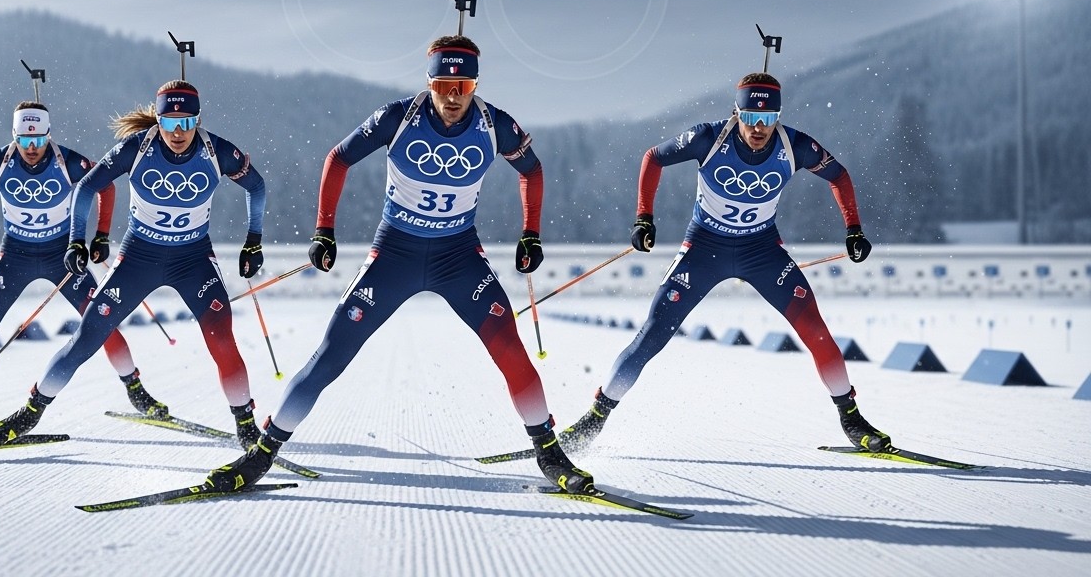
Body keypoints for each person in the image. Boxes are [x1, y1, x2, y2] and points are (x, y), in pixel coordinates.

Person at [201, 34, 595, 494]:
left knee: (510, 347)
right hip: (395, 255)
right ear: (429, 82)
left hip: (458, 257)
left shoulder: (496, 125)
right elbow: (338, 158)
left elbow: (532, 170)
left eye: (464, 86)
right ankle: (262, 454)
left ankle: (549, 453)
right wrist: (323, 230)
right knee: (331, 354)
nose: (453, 96)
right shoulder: (397, 117)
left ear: (475, 84)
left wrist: (531, 232)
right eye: (444, 84)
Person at [557, 72, 890, 453]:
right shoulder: (708, 137)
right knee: (653, 334)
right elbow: (653, 158)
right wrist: (643, 218)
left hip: (762, 251)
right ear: (737, 112)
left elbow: (839, 176)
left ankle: (851, 417)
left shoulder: (795, 145)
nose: (759, 127)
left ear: (778, 116)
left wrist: (853, 229)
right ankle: (594, 419)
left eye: (768, 118)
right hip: (703, 250)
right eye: (750, 117)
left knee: (815, 330)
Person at [0, 80, 269, 448]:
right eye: (168, 122)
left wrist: (254, 241)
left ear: (199, 119)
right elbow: (86, 187)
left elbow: (257, 187)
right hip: (138, 259)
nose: (177, 132)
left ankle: (245, 425)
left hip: (193, 260)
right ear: (158, 121)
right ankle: (29, 412)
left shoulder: (218, 151)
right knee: (88, 336)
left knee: (221, 339)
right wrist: (77, 241)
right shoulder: (138, 147)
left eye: (186, 121)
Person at [0, 101, 155, 424]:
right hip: (15, 256)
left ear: (48, 135)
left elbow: (106, 187)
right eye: (25, 141)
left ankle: (137, 391)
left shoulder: (66, 160)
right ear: (14, 136)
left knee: (101, 323)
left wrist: (100, 235)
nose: (32, 149)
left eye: (40, 140)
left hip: (63, 259)